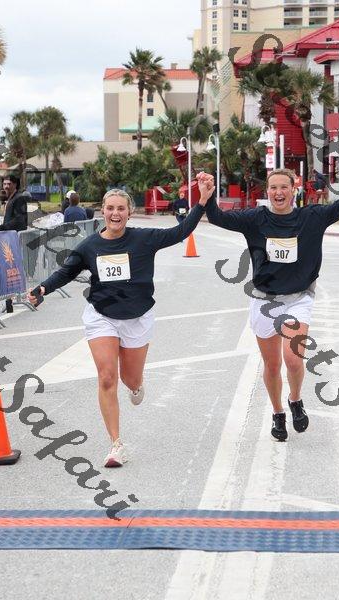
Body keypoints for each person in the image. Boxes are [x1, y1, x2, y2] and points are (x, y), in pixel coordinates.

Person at [27, 184, 213, 467]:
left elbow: (180, 232)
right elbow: (67, 271)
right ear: (103, 211)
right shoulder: (90, 246)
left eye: (121, 208)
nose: (115, 213)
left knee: (131, 379)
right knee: (106, 377)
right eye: (110, 208)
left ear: (130, 212)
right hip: (101, 316)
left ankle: (136, 387)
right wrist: (43, 288)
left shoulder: (144, 239)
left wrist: (201, 202)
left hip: (137, 317)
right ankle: (116, 445)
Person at [201, 157, 339, 442]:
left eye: (283, 187)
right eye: (273, 187)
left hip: (298, 298)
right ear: (268, 191)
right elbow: (217, 218)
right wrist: (208, 194)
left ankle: (295, 399)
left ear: (293, 189)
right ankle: (278, 412)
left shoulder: (310, 217)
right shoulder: (256, 219)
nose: (278, 192)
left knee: (294, 360)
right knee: (273, 365)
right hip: (265, 301)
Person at [0, 174, 28, 313]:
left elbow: (20, 220)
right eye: (4, 184)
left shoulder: (19, 198)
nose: (6, 186)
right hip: (8, 238)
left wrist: (3, 227)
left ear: (15, 184)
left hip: (14, 238)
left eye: (8, 184)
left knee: (13, 269)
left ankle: (15, 299)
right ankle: (9, 301)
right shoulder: (10, 198)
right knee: (8, 270)